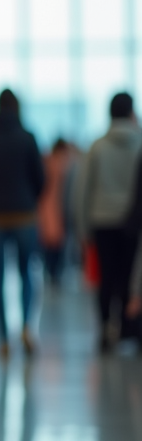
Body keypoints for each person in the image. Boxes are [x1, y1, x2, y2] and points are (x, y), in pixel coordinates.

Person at [0, 89, 45, 358]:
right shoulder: (28, 138)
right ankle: (26, 325)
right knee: (28, 272)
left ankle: (3, 337)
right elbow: (39, 178)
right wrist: (30, 200)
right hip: (24, 214)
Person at [74, 92, 141, 351]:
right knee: (129, 277)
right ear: (131, 112)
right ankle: (129, 328)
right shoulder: (139, 143)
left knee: (104, 278)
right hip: (133, 222)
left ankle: (104, 329)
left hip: (101, 220)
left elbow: (83, 189)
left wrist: (82, 227)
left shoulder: (97, 147)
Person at [38, 138, 74, 284]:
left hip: (46, 207)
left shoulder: (45, 162)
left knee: (48, 243)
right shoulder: (61, 165)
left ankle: (50, 271)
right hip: (57, 207)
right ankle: (54, 273)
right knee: (56, 243)